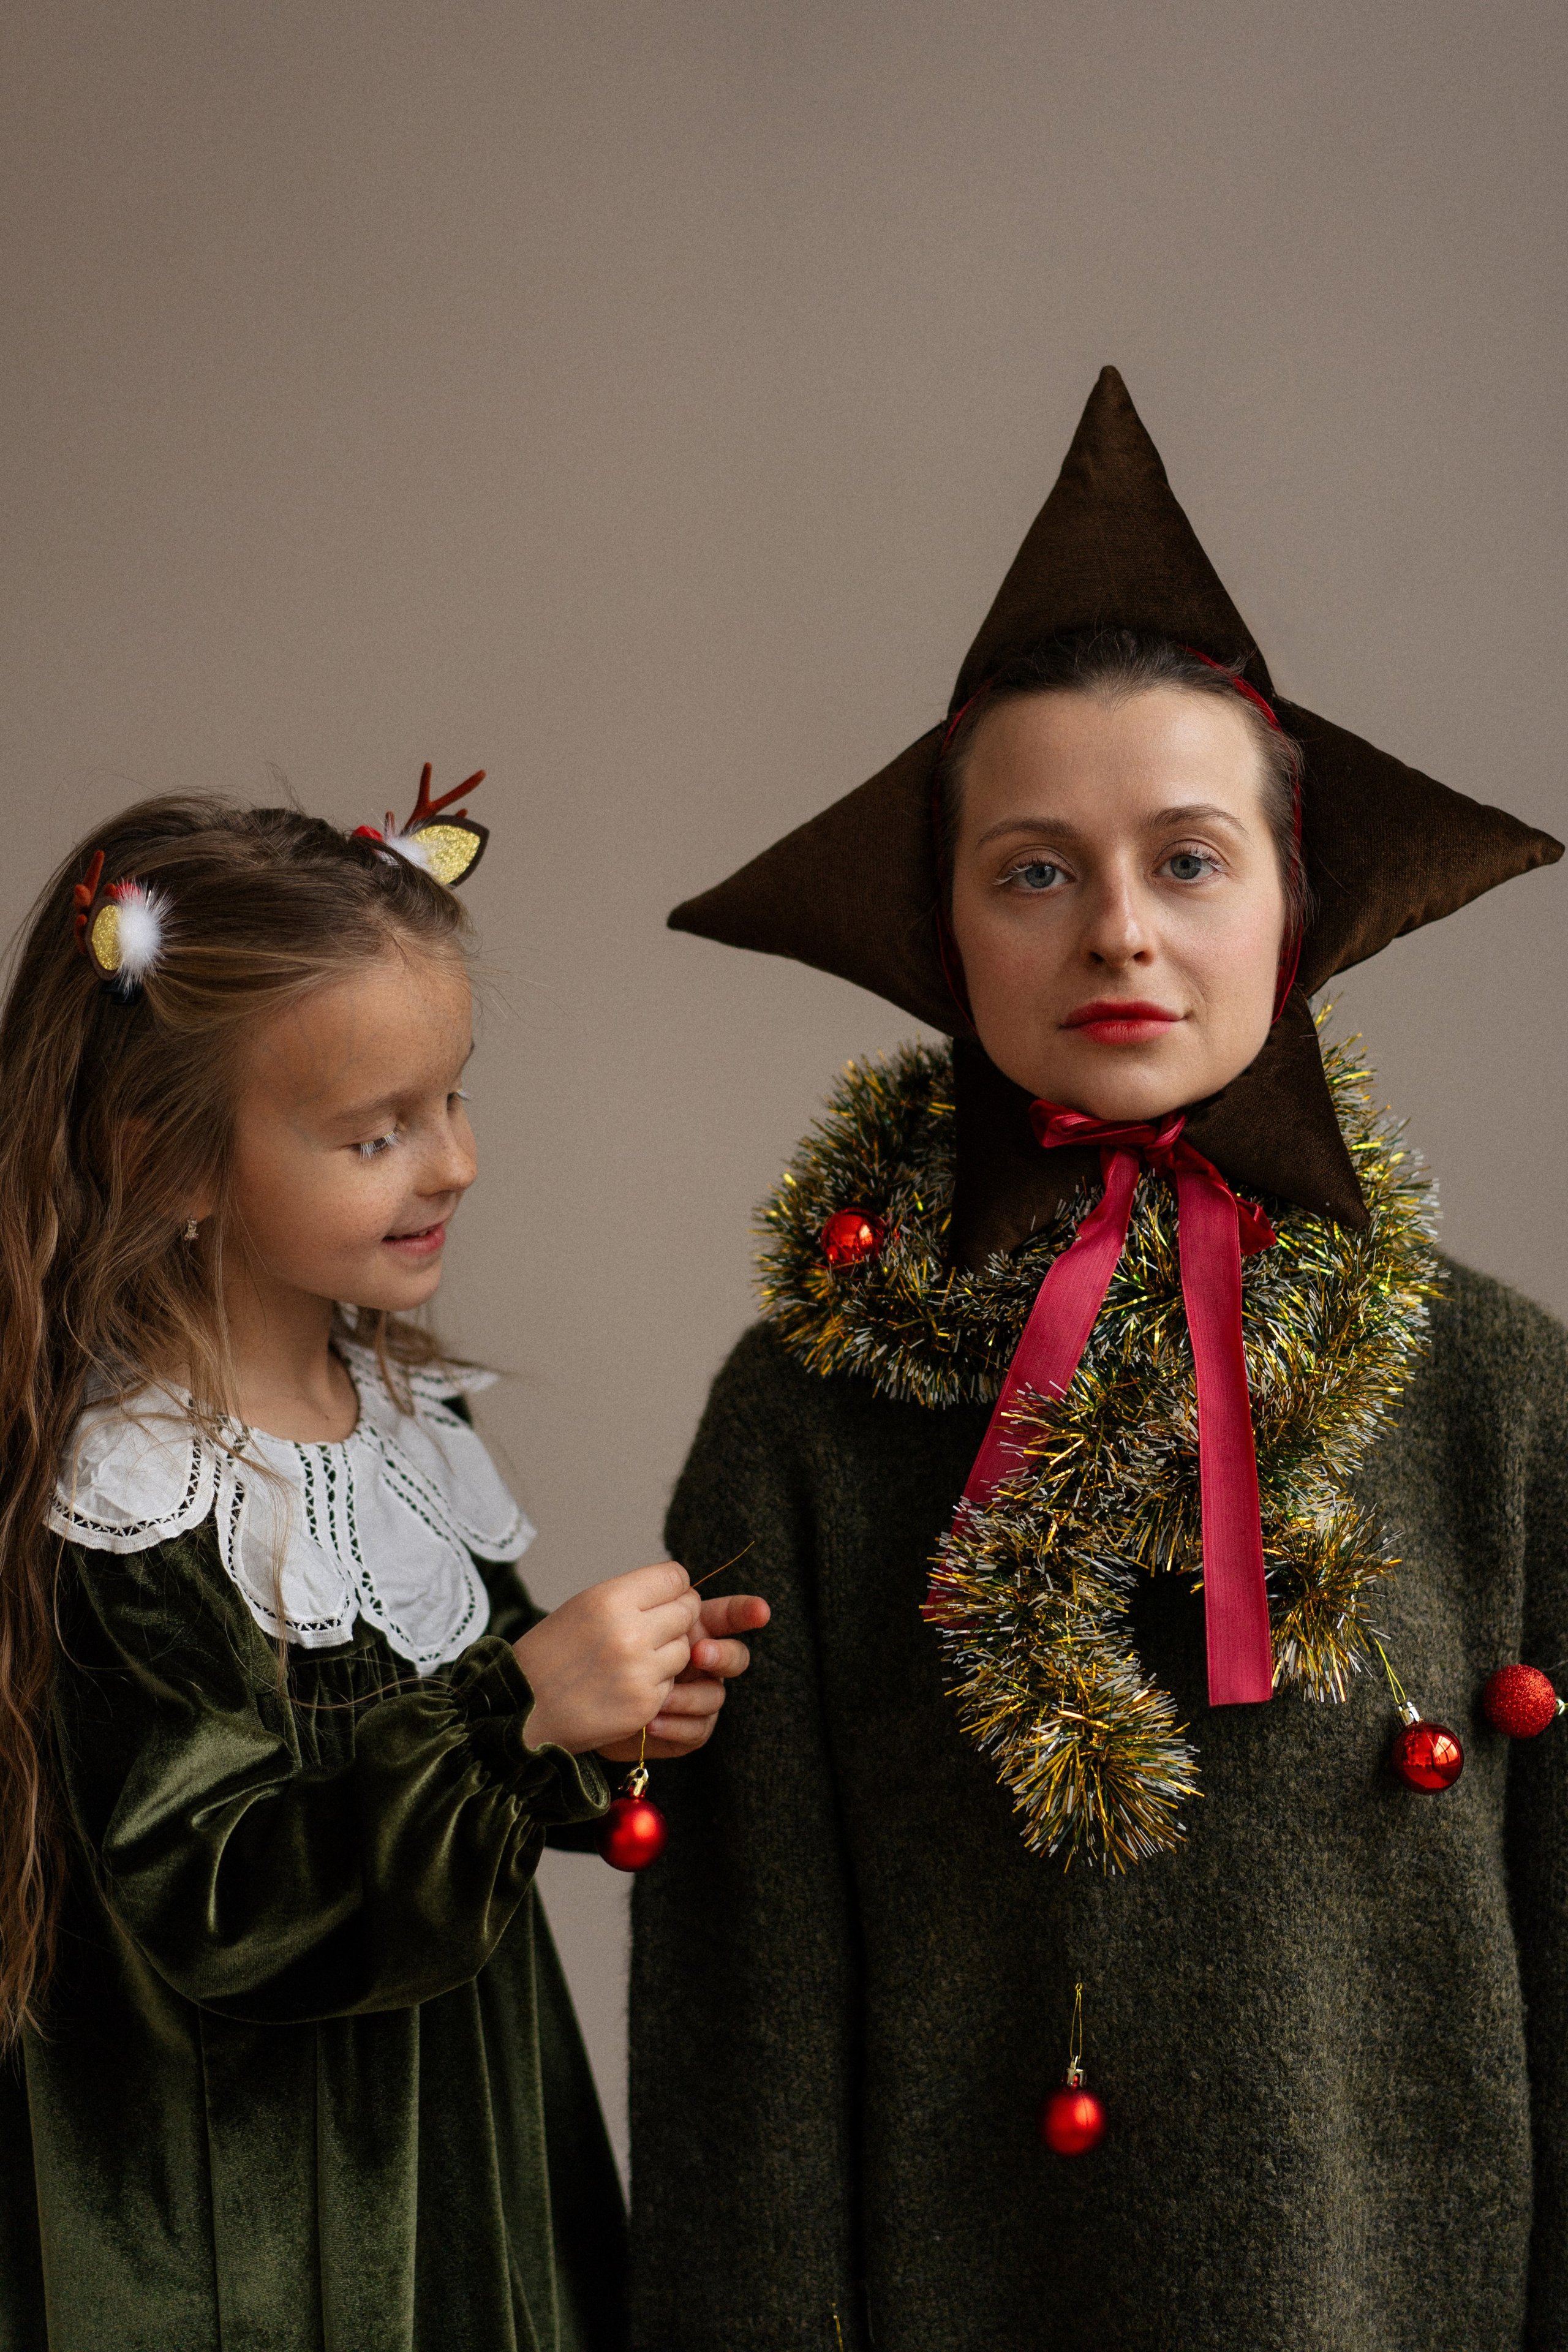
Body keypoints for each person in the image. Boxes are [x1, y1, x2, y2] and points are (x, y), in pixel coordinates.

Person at [628, 369, 1567, 2350]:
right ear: (941, 923)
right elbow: (741, 2046)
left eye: (1191, 860)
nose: (1118, 932)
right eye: (1036, 869)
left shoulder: (1494, 1396)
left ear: (1301, 901)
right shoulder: (806, 1427)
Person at [0, 782, 768, 2352]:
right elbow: (221, 1896)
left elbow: (474, 1733)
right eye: (376, 1133)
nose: (455, 1163)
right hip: (250, 2196)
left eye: (452, 1101)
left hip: (452, 2150)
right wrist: (512, 1717)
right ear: (171, 1162)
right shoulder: (128, 1499)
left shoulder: (406, 1421)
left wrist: (610, 1720)